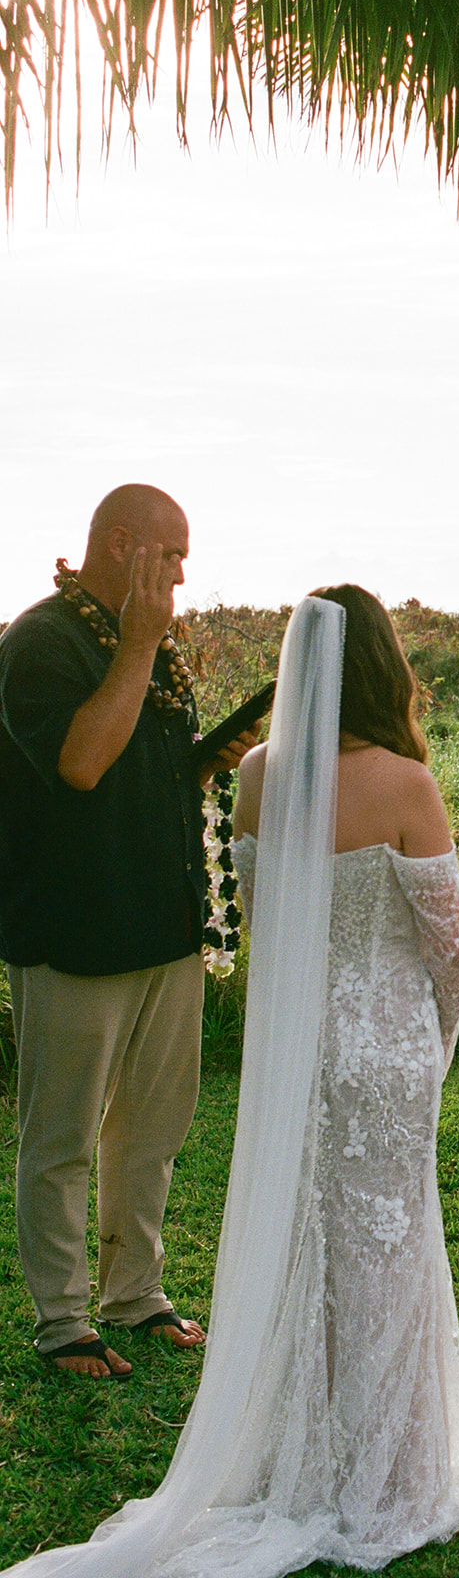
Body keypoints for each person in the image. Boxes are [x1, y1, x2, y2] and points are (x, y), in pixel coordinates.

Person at [1, 588, 459, 1578]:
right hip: (384, 1048)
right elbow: (449, 947)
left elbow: (265, 919)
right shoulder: (404, 783)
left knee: (311, 1253)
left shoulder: (258, 775)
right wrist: (435, 1043)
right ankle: (386, 1484)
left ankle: (302, 1462)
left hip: (298, 1050)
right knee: (384, 1259)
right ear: (387, 667)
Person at [0, 484, 254, 1380]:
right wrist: (143, 644)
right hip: (75, 931)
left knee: (151, 1129)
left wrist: (202, 755)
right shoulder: (40, 642)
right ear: (119, 546)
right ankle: (63, 1318)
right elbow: (77, 764)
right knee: (63, 1134)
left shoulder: (148, 648)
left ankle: (134, 1294)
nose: (183, 574)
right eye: (171, 554)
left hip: (162, 924)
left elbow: (136, 768)